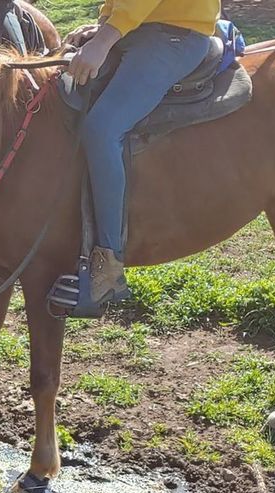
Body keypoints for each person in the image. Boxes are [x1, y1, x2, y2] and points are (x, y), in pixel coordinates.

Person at [48, 0, 222, 317]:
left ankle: (107, 267)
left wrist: (104, 40)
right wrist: (105, 24)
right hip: (138, 28)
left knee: (102, 128)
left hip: (175, 33)